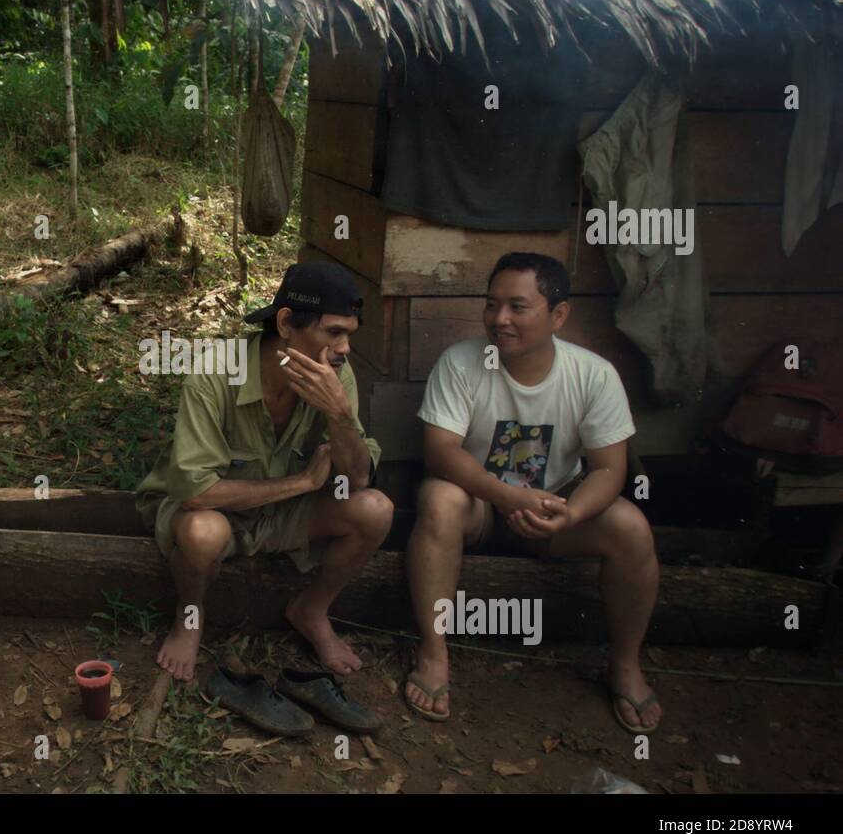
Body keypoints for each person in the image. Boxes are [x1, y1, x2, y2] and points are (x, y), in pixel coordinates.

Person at [404, 252, 664, 734]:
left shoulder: (593, 374)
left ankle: (625, 663)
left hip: (552, 513)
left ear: (558, 315)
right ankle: (434, 652)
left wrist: (570, 514)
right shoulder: (461, 363)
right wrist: (505, 496)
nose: (499, 319)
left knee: (630, 525)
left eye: (517, 307)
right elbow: (441, 452)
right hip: (479, 508)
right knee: (439, 498)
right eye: (491, 305)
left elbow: (610, 468)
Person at [136, 262, 394, 681]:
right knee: (203, 534)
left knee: (375, 509)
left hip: (283, 515)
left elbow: (358, 479)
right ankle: (190, 615)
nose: (345, 348)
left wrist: (341, 416)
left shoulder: (336, 376)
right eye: (334, 332)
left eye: (350, 333)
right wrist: (304, 482)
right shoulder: (216, 371)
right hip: (216, 513)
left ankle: (311, 611)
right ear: (287, 323)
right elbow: (196, 493)